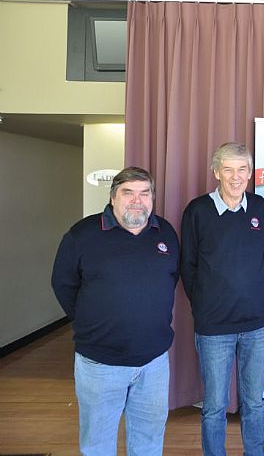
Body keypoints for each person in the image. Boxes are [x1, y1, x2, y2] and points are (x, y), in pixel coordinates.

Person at [51, 166, 179, 455]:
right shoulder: (82, 235)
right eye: (128, 193)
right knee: (97, 445)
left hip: (154, 362)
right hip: (100, 363)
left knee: (148, 443)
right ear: (112, 197)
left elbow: (171, 278)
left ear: (153, 198)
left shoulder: (165, 232)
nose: (137, 200)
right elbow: (63, 284)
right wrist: (90, 320)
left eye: (144, 193)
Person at [181, 142, 264, 456]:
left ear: (250, 173)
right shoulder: (197, 210)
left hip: (257, 325)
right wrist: (204, 306)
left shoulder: (259, 207)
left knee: (254, 402)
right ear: (216, 172)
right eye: (228, 169)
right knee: (215, 405)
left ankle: (255, 452)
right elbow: (188, 265)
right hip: (214, 327)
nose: (236, 177)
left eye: (242, 169)